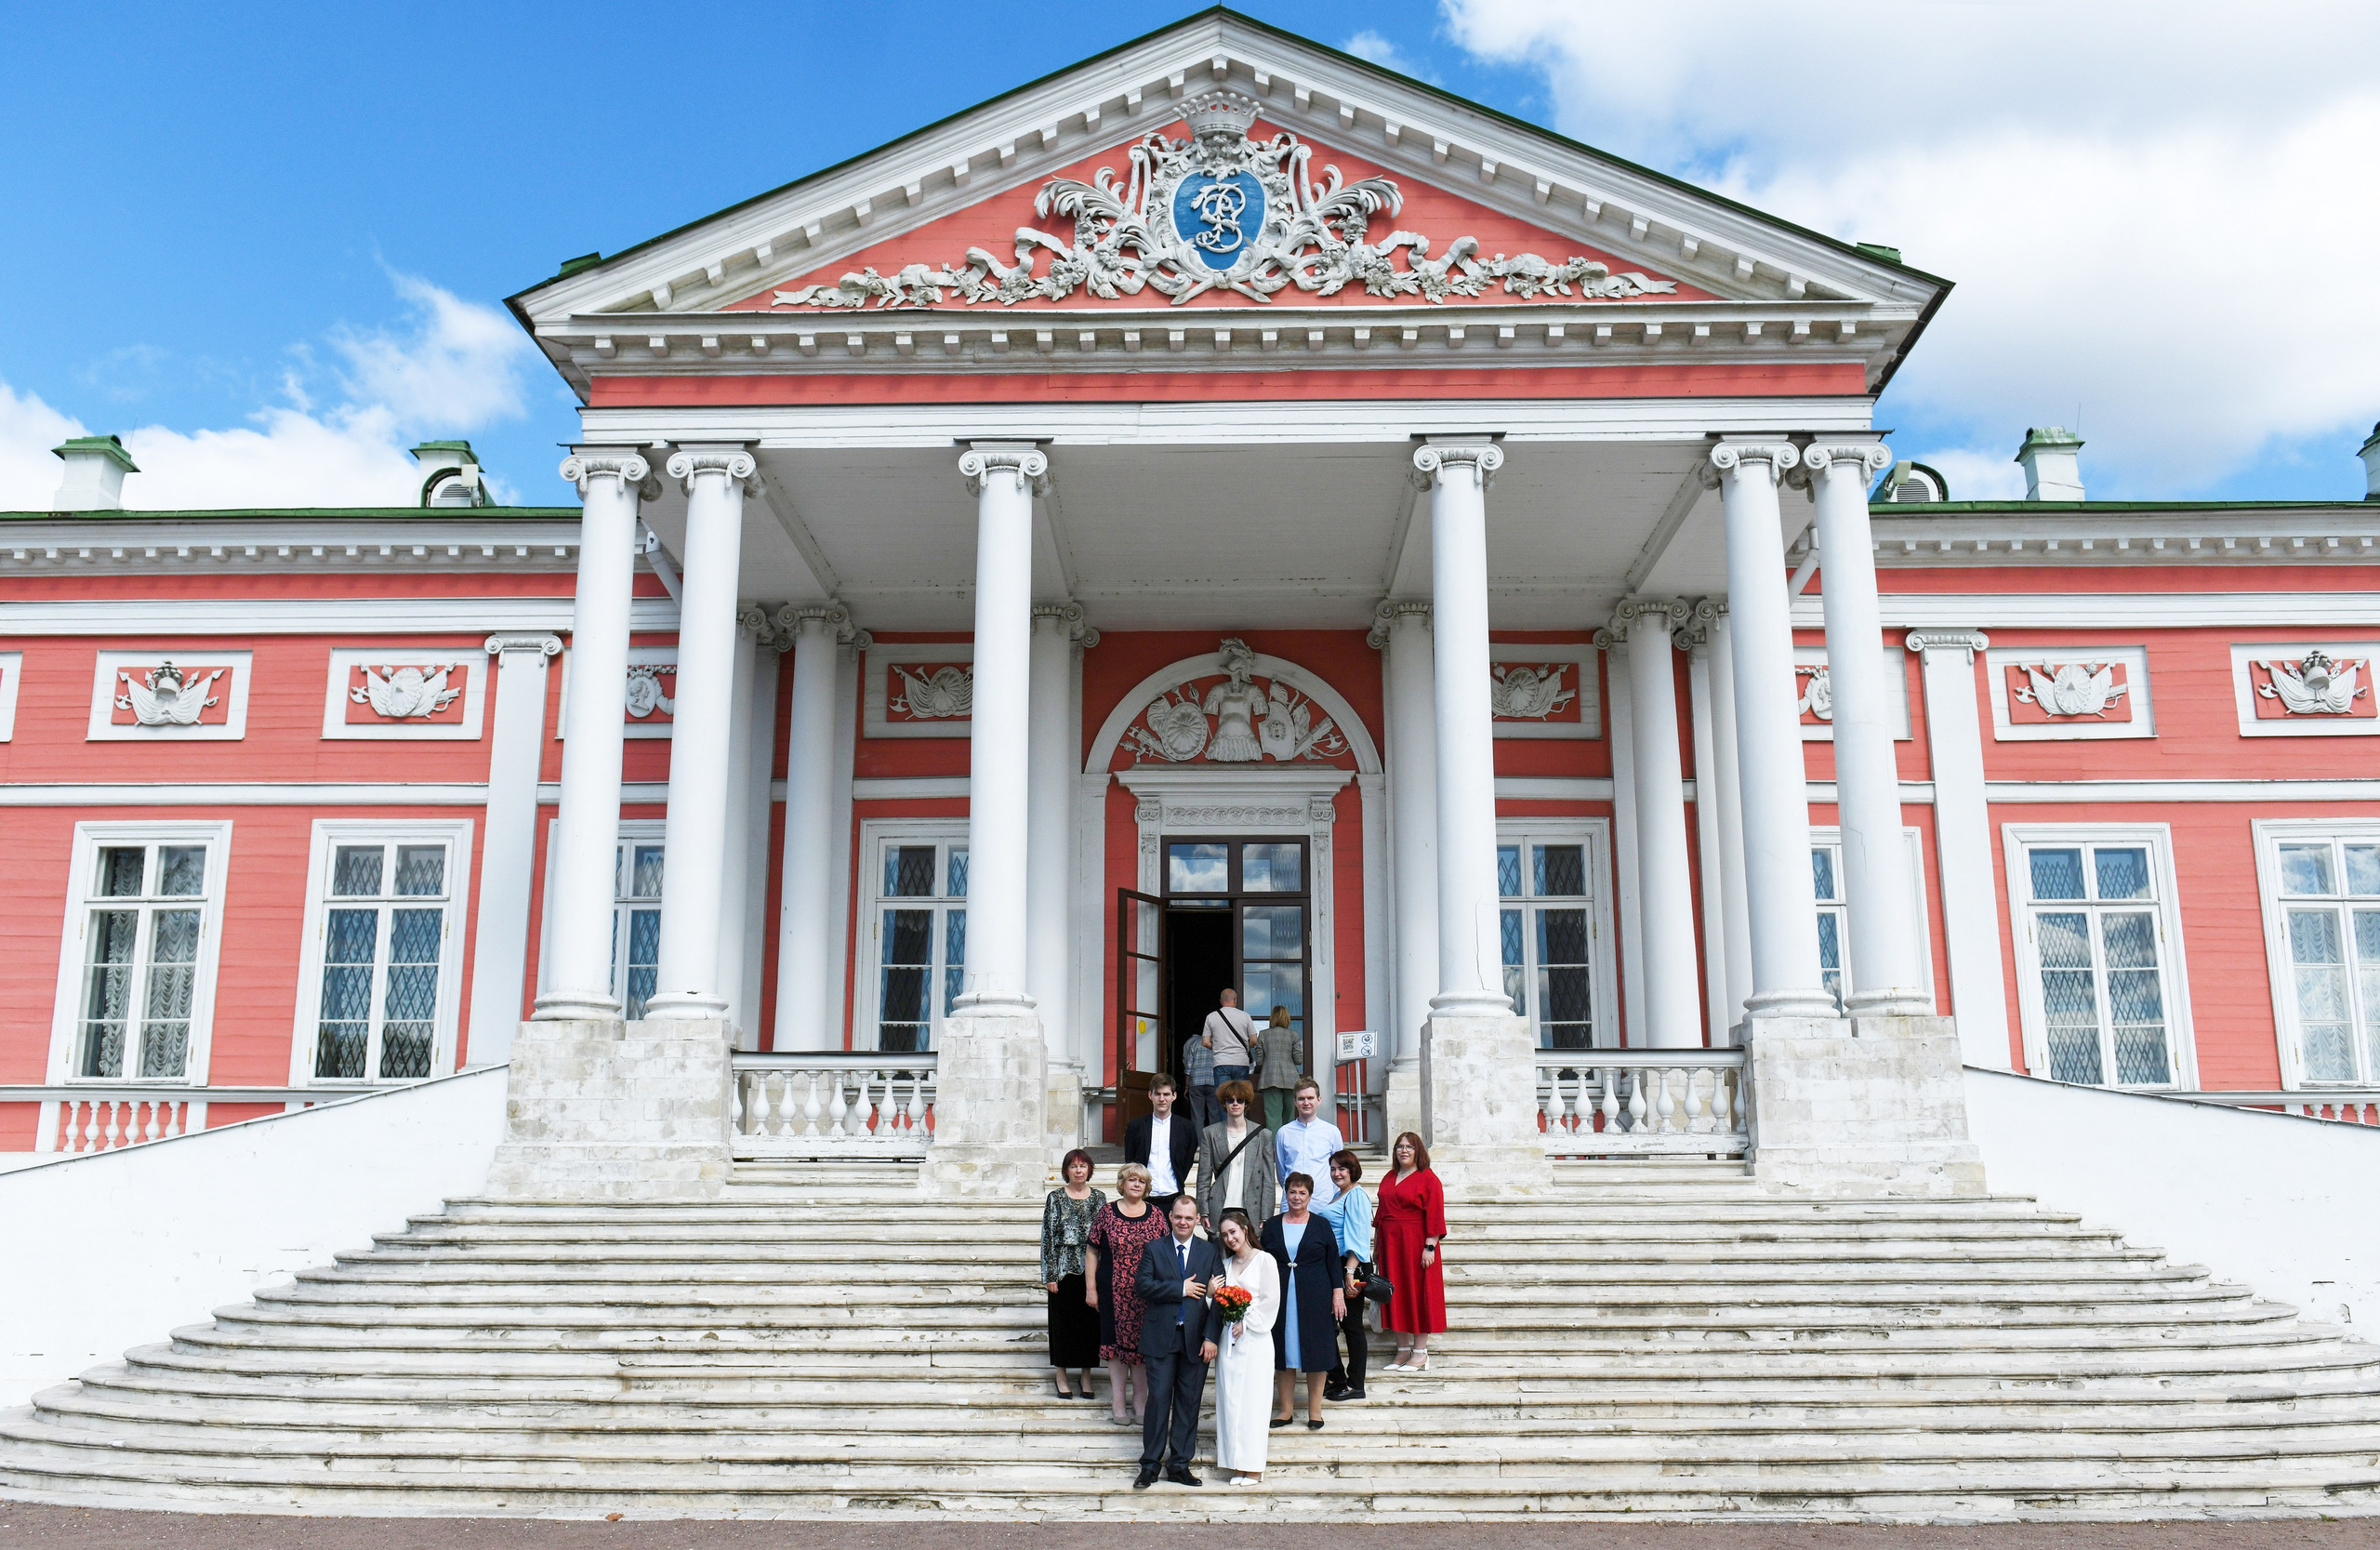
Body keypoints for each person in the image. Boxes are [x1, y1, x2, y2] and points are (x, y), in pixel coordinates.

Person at [1132, 1193, 1222, 1490]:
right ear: (1170, 1217)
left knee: (1189, 1402)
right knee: (1157, 1400)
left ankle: (1180, 1464)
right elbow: (1142, 1286)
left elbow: (1219, 1298)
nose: (1183, 1222)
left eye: (1189, 1217)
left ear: (1198, 1220)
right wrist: (1179, 1288)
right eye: (1178, 1216)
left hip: (1196, 1339)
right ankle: (1150, 1465)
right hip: (1161, 1338)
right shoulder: (1154, 1249)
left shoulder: (1209, 1252)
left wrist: (1211, 1337)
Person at [1262, 1172, 1344, 1430]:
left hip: (1315, 1296)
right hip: (1280, 1295)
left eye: (1302, 1193)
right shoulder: (1273, 1225)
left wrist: (1338, 1293)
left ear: (1310, 1196)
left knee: (1317, 1352)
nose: (1297, 1197)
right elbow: (1262, 1261)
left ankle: (1315, 1411)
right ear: (1286, 1194)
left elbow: (1333, 1262)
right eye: (1292, 1192)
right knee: (1283, 1352)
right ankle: (1285, 1410)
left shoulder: (1321, 1224)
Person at [1086, 1163, 1167, 1424]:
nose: (1136, 1185)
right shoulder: (1107, 1213)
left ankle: (1140, 1401)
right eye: (1132, 1180)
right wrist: (1090, 1289)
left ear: (1147, 1187)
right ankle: (1118, 1401)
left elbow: (1166, 1251)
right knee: (1115, 1349)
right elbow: (1092, 1251)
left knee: (1142, 1348)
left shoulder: (1156, 1214)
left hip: (1147, 1293)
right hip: (1112, 1291)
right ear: (1122, 1183)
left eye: (1141, 1182)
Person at [1210, 1208, 1279, 1486]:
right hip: (1230, 1342)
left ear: (1246, 1230)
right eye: (1224, 1235)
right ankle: (1236, 1463)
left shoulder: (1265, 1261)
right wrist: (1214, 1294)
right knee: (1230, 1401)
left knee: (1253, 1403)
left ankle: (1254, 1467)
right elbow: (1215, 1303)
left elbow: (1271, 1301)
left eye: (1233, 1232)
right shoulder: (1224, 1267)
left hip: (1256, 1341)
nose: (1229, 1238)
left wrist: (1246, 1320)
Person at [1376, 1131, 1448, 1372]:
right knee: (1395, 1294)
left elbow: (1435, 1214)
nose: (1403, 1151)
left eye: (1409, 1147)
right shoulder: (1389, 1177)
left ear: (1418, 1151)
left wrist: (1430, 1246)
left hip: (1417, 1244)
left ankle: (1420, 1353)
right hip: (1390, 1245)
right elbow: (1380, 1216)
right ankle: (1402, 1351)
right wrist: (1377, 1247)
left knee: (1419, 1294)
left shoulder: (1428, 1178)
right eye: (1399, 1146)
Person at [1040, 1147, 1104, 1399]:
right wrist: (1050, 1275)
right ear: (1066, 1171)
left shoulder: (1099, 1197)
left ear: (1089, 1170)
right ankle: (1062, 1373)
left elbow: (1104, 1236)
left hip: (1092, 1271)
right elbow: (1047, 1237)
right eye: (1074, 1166)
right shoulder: (1055, 1197)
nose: (1079, 1170)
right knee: (1063, 1324)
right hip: (1064, 1269)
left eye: (1083, 1166)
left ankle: (1086, 1374)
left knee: (1090, 1324)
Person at [1316, 1148, 1374, 1402]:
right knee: (1330, 1324)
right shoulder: (1340, 1195)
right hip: (1337, 1265)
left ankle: (1355, 1383)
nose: (1337, 1173)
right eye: (1333, 1168)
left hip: (1352, 1266)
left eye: (1342, 1168)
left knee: (1351, 1326)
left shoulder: (1357, 1195)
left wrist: (1349, 1272)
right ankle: (1337, 1377)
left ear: (1352, 1170)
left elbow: (1360, 1237)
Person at [1197, 1080, 1276, 1230]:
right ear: (1224, 1103)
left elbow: (1269, 1180)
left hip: (1251, 1208)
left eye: (1240, 1100)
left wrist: (1266, 1216)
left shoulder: (1263, 1135)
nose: (1235, 1104)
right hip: (1219, 1207)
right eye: (1230, 1100)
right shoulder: (1210, 1133)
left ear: (1246, 1104)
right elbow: (1203, 1177)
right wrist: (1204, 1212)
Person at [1124, 1074, 1197, 1217]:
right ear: (1150, 1095)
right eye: (1158, 1094)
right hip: (1143, 1198)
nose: (1162, 1099)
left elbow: (1187, 1160)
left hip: (1173, 1196)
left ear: (1174, 1096)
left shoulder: (1186, 1128)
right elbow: (1130, 1162)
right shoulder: (1135, 1126)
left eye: (1166, 1094)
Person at [1274, 1078, 1346, 1209]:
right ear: (1295, 1102)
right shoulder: (1284, 1133)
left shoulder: (1331, 1132)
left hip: (1323, 1202)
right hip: (1292, 1203)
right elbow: (1281, 1172)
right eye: (1301, 1099)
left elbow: (1339, 1167)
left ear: (1319, 1100)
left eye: (1310, 1098)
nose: (1306, 1102)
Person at [1253, 1006, 1302, 1132]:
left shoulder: (1263, 1035)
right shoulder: (1293, 1035)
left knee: (1273, 1117)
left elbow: (1259, 1061)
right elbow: (1298, 1060)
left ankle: (1274, 1148)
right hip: (1291, 1080)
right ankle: (1289, 1145)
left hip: (1270, 1078)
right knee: (1290, 1116)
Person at [1202, 987, 1256, 1093]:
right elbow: (1254, 1040)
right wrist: (1244, 1046)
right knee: (1241, 1096)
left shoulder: (1211, 1017)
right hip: (1241, 1061)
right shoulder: (1245, 1016)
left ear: (1221, 1001)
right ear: (1235, 1000)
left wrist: (1218, 1046)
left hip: (1221, 1061)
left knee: (1223, 1098)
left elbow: (1205, 1042)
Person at [1181, 1008, 1221, 1133]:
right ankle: (1213, 1142)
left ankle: (1198, 1144)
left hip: (1196, 1084)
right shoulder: (1218, 1043)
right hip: (1213, 1082)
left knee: (1197, 1116)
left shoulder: (1195, 1043)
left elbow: (1189, 1067)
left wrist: (1187, 1086)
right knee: (1214, 1115)